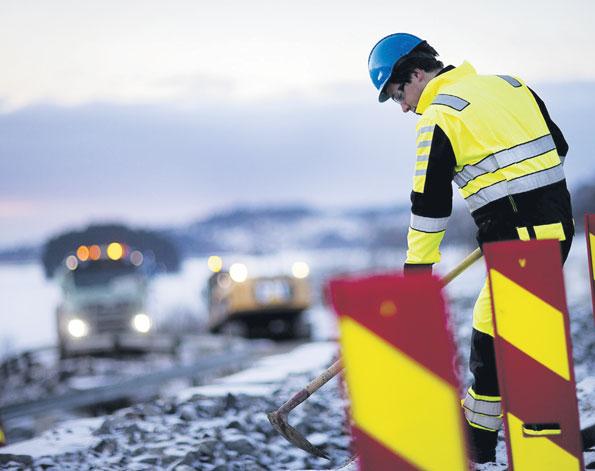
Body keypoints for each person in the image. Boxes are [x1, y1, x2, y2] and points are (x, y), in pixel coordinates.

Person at [367, 33, 573, 463]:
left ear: (417, 74)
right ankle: (506, 434)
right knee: (504, 326)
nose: (403, 107)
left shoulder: (437, 117)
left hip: (519, 242)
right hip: (555, 229)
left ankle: (489, 439)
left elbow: (429, 208)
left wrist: (417, 276)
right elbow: (559, 147)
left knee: (491, 332)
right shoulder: (510, 84)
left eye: (398, 93)